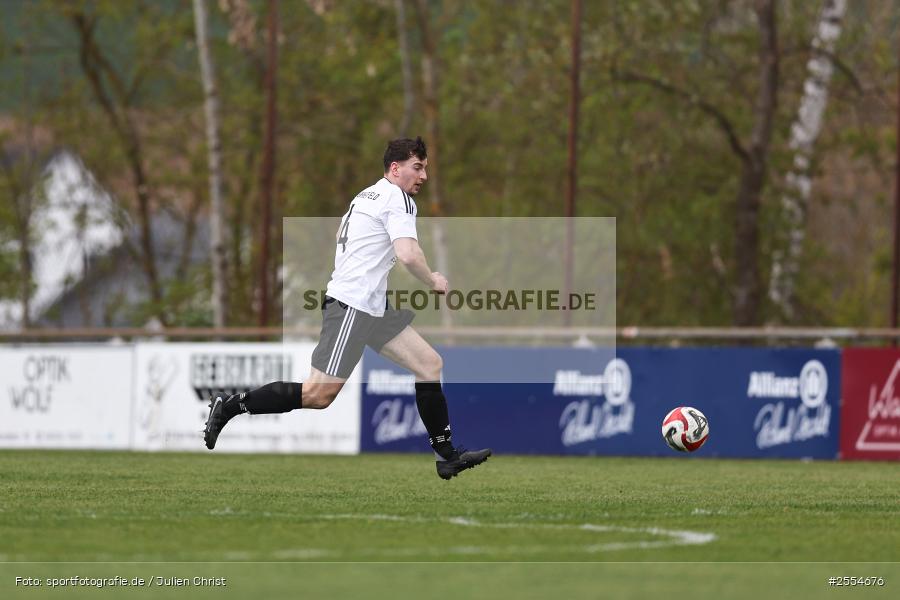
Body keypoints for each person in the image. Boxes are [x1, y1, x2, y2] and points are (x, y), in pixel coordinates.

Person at [203, 137, 491, 480]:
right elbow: (408, 255)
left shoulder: (365, 195)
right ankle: (232, 405)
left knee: (429, 364)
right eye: (418, 167)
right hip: (353, 306)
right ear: (395, 169)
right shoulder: (397, 199)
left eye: (425, 168)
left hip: (371, 305)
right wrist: (433, 281)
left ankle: (447, 456)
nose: (424, 176)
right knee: (318, 394)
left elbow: (350, 237)